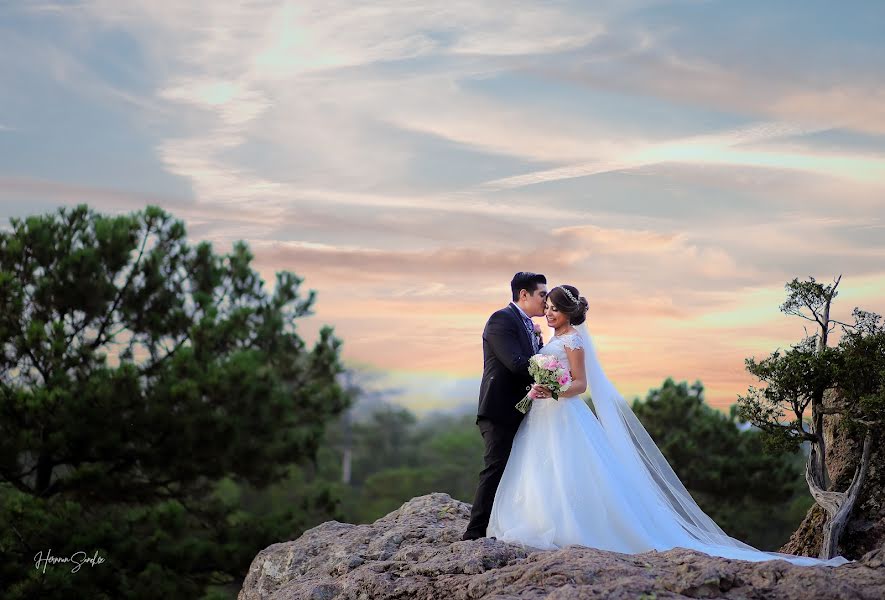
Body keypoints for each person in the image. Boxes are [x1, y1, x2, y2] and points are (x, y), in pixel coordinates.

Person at [484, 284, 850, 567]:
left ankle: (574, 528)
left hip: (564, 412)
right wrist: (542, 387)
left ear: (566, 312)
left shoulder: (575, 340)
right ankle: (537, 518)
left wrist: (553, 389)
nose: (547, 313)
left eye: (552, 309)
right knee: (542, 469)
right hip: (545, 415)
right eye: (545, 307)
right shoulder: (554, 340)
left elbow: (580, 385)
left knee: (571, 469)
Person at [461, 271, 548, 541]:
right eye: (542, 295)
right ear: (524, 295)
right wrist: (551, 370)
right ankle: (474, 533)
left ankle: (506, 524)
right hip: (499, 409)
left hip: (524, 409)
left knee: (519, 468)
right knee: (495, 467)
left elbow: (528, 358)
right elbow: (515, 363)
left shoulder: (527, 325)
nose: (546, 301)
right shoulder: (501, 319)